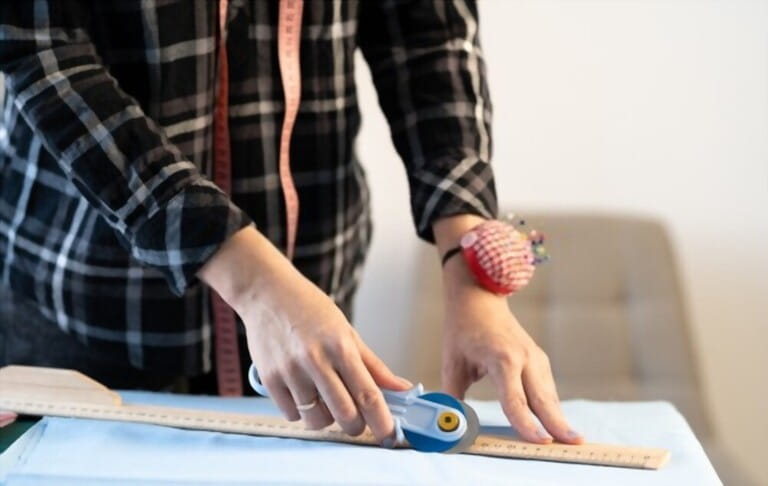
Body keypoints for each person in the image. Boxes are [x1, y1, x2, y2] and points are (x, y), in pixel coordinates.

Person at [0, 1, 582, 447]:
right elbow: (38, 47)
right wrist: (252, 281)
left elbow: (429, 34)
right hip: (86, 298)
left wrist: (470, 266)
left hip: (313, 291)